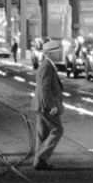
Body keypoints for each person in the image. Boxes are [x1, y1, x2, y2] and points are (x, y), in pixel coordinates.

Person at [31, 39, 65, 170]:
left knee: (43, 134)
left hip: (41, 105)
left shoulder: (47, 65)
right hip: (46, 105)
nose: (60, 53)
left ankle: (39, 162)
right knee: (57, 130)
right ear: (50, 53)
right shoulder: (47, 66)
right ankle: (41, 156)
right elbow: (45, 89)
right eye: (58, 51)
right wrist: (52, 106)